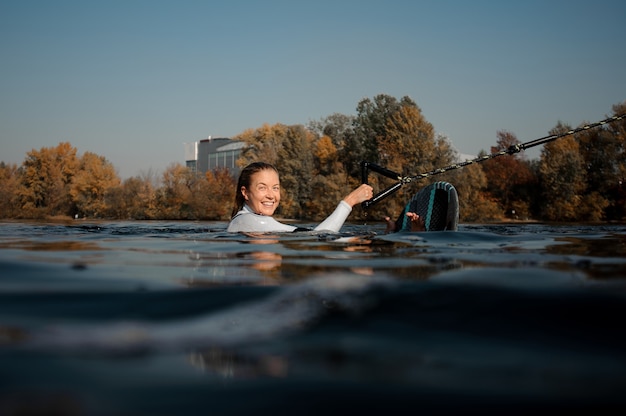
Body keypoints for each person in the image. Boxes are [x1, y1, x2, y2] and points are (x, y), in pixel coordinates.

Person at [227, 162, 375, 233]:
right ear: (245, 192)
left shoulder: (245, 219)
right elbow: (318, 237)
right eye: (262, 187)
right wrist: (349, 201)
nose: (271, 195)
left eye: (275, 188)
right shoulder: (249, 220)